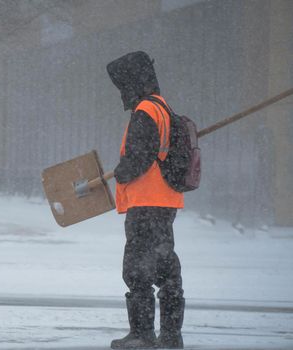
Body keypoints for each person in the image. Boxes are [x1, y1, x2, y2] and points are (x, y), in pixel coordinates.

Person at [106, 51, 185, 349]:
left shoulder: (144, 112)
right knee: (165, 265)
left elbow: (139, 156)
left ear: (132, 81)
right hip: (164, 201)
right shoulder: (163, 108)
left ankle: (141, 334)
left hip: (145, 202)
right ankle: (170, 335)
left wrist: (121, 172)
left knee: (137, 269)